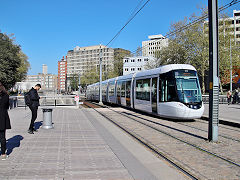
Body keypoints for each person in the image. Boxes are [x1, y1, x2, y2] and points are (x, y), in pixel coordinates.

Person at [0, 82, 11, 160]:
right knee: (2, 136)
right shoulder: (6, 95)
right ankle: (3, 154)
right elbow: (7, 106)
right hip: (2, 117)